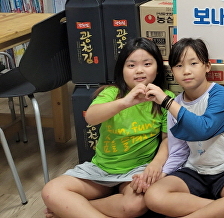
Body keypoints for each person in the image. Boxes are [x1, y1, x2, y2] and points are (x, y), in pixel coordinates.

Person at [42, 37, 174, 218]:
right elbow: (91, 117)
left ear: (158, 68)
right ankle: (74, 208)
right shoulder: (111, 93)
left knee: (136, 205)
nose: (139, 70)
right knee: (51, 191)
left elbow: (167, 139)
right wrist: (125, 102)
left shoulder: (163, 97)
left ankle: (73, 209)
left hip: (136, 171)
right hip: (101, 170)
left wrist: (156, 164)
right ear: (122, 70)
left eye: (147, 64)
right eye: (131, 65)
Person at [143, 38, 224, 218]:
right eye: (179, 66)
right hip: (195, 171)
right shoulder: (175, 104)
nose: (186, 71)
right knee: (153, 196)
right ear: (172, 71)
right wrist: (163, 173)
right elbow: (178, 150)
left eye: (193, 63)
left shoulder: (219, 94)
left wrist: (166, 102)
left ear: (207, 66)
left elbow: (204, 129)